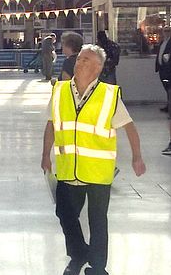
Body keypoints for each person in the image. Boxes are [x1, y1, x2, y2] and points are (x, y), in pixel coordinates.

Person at [41, 45, 146, 275]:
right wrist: (45, 154)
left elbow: (129, 126)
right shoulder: (60, 91)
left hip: (97, 170)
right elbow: (51, 124)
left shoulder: (108, 95)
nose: (79, 63)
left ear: (97, 67)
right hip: (68, 168)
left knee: (98, 221)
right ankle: (78, 254)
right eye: (79, 59)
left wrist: (137, 157)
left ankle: (97, 267)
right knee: (65, 214)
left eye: (86, 60)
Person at [155, 27, 171, 112]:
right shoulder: (162, 42)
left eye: (168, 31)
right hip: (162, 69)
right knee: (167, 87)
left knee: (170, 88)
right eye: (165, 31)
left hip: (169, 69)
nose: (166, 33)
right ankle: (169, 105)